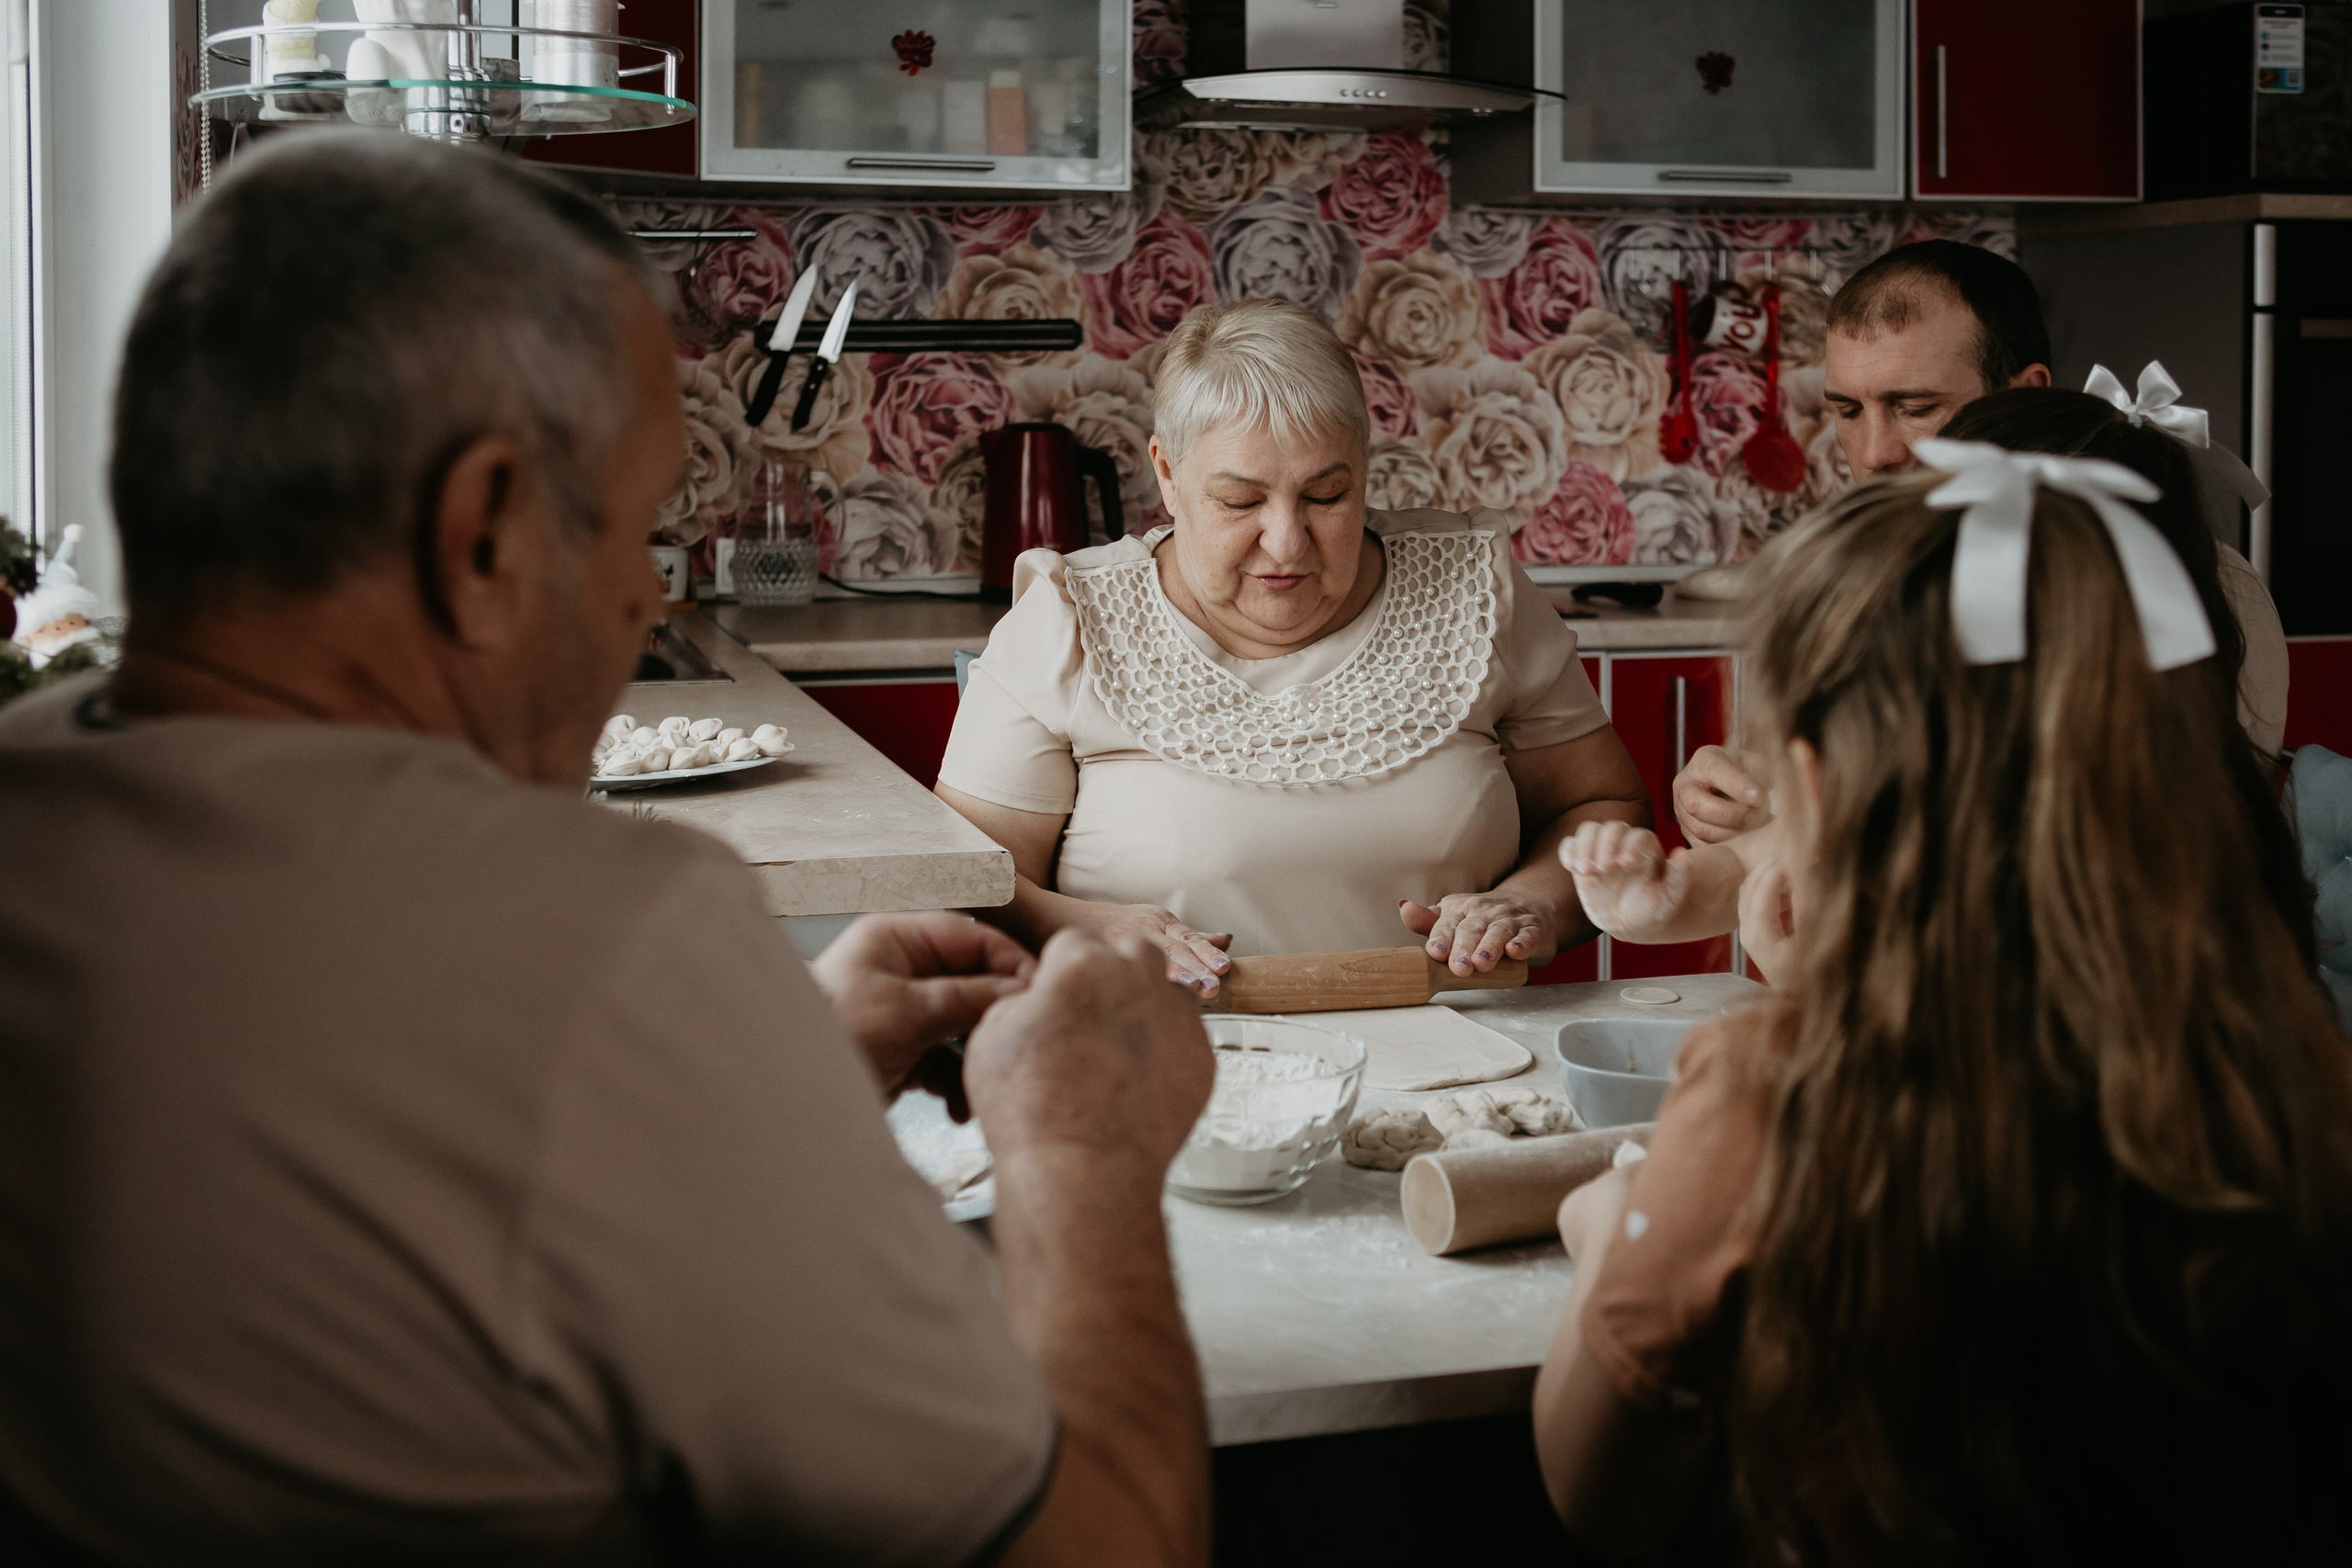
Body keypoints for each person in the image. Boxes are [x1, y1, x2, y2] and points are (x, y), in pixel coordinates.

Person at [0, 131, 1216, 1564]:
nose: (649, 597)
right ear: (487, 532)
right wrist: (1082, 1145)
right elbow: (1104, 1547)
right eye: (641, 529)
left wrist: (774, 1065)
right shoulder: (605, 942)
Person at [1536, 462, 2351, 1564]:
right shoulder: (2292, 1066)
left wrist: (1603, 1235)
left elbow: (1602, 1496)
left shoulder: (1766, 1093)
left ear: (1814, 789)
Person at [934, 299, 1651, 998]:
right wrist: (1090, 928)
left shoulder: (1475, 587)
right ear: (1168, 474)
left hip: (1468, 1063)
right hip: (1161, 1062)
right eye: (1241, 501)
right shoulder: (1069, 617)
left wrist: (1535, 902)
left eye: (1327, 495)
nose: (1286, 542)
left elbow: (1605, 805)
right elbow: (961, 881)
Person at [1679, 241, 2284, 840]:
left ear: (2026, 392)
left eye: (1914, 407)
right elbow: (1793, 803)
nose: (1872, 454)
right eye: (1848, 410)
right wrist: (1733, 800)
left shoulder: (2195, 589)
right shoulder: (1843, 585)